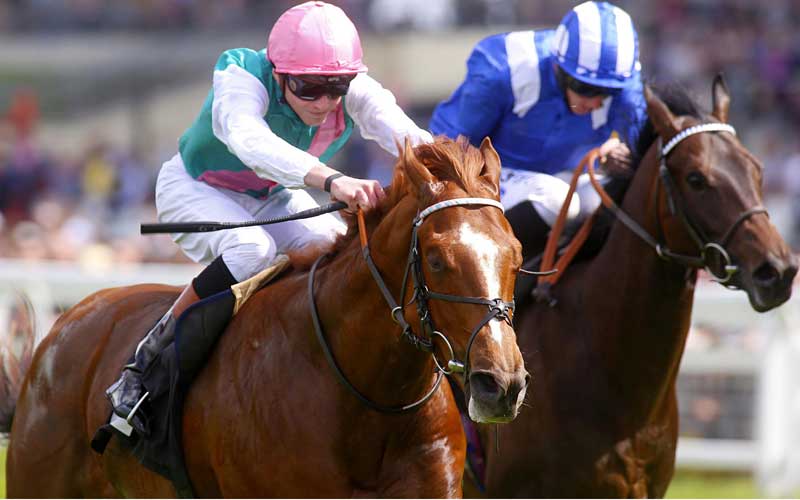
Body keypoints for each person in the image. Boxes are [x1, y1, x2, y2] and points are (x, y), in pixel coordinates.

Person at [106, 0, 432, 434]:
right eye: (308, 87)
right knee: (251, 249)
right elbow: (250, 141)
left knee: (338, 252)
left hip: (270, 196)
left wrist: (449, 175)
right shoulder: (240, 73)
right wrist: (333, 180)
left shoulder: (352, 88)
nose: (324, 101)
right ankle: (145, 366)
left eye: (336, 87)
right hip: (196, 187)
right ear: (279, 74)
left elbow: (407, 135)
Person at [430, 1, 648, 260]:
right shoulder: (503, 69)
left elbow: (644, 154)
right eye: (585, 88)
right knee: (556, 200)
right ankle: (489, 267)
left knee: (604, 200)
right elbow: (454, 151)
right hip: (485, 171)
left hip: (560, 177)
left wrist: (620, 151)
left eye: (608, 91)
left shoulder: (625, 85)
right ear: (558, 67)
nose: (595, 101)